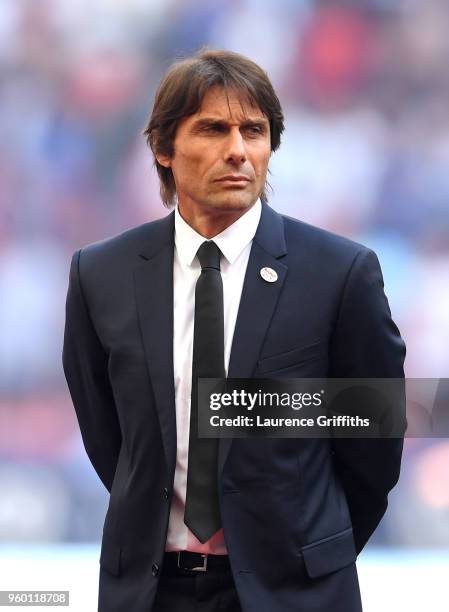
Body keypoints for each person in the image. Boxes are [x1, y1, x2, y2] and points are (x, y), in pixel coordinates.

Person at [62, 48, 406, 612]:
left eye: (255, 130)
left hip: (294, 593)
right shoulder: (101, 274)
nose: (238, 151)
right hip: (149, 592)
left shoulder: (339, 273)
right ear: (162, 148)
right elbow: (112, 440)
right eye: (213, 129)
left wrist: (310, 551)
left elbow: (373, 443)